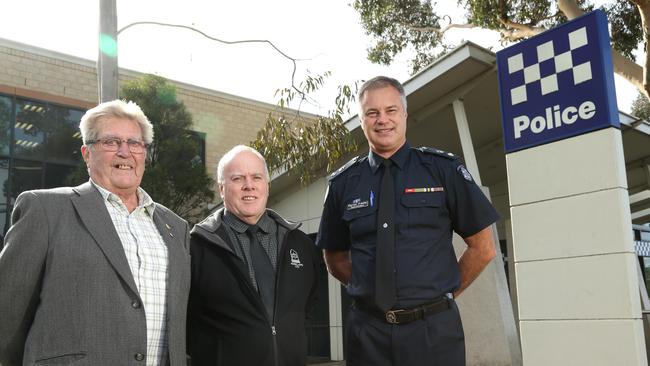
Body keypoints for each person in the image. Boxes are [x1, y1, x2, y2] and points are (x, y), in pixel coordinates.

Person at [316, 76, 499, 366]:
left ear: (405, 115)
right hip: (368, 334)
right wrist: (372, 288)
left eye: (391, 110)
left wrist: (443, 294)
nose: (382, 120)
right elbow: (335, 258)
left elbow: (484, 248)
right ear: (362, 120)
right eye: (372, 113)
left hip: (434, 332)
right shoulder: (343, 184)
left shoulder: (443, 170)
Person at [0, 100, 191, 366]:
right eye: (111, 142)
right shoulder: (45, 209)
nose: (125, 152)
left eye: (134, 143)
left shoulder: (176, 227)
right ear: (87, 153)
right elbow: (7, 315)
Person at [187, 145, 318, 366]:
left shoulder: (300, 243)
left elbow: (307, 306)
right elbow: (186, 320)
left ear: (266, 185)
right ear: (222, 189)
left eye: (256, 177)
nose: (249, 186)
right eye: (238, 179)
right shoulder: (197, 247)